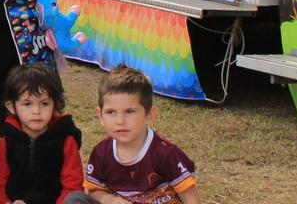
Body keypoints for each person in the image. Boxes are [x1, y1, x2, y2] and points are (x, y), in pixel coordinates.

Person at [70, 65, 201, 204]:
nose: (120, 121)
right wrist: (112, 200)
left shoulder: (166, 153)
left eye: (130, 111)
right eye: (111, 112)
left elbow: (191, 198)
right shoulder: (101, 153)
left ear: (149, 114)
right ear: (100, 116)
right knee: (76, 200)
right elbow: (95, 192)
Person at [0, 64, 84, 204]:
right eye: (27, 104)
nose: (36, 111)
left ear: (55, 105)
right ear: (12, 107)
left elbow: (72, 186)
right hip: (18, 200)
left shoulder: (66, 139)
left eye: (44, 104)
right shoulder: (7, 141)